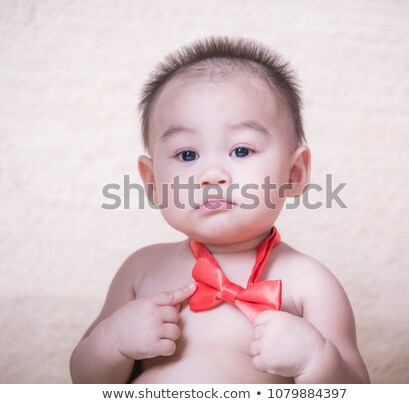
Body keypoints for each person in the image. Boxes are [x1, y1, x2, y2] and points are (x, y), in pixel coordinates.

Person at [70, 37, 370, 384]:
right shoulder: (141, 270)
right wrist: (112, 342)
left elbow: (356, 391)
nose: (212, 175)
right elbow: (84, 382)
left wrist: (317, 360)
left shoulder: (310, 283)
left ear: (295, 174)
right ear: (152, 182)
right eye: (187, 155)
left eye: (241, 151)